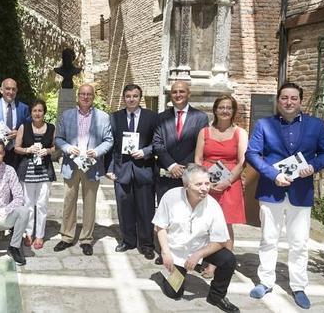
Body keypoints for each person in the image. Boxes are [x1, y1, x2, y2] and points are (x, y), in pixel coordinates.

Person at [246, 82, 324, 309]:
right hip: (271, 189)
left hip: (301, 191)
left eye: (293, 98)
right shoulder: (264, 125)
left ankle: (298, 286)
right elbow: (252, 153)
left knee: (299, 242)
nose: (288, 102)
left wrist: (313, 167)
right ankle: (265, 281)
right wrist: (273, 174)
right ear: (278, 100)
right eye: (284, 98)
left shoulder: (315, 125)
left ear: (300, 101)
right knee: (268, 238)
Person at [152, 164, 240, 313]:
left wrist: (199, 254)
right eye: (198, 184)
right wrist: (165, 252)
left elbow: (221, 240)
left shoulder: (213, 206)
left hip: (200, 248)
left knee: (228, 259)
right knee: (174, 294)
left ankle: (216, 296)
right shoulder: (171, 197)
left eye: (207, 183)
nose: (205, 188)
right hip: (176, 251)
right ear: (186, 185)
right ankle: (168, 276)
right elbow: (160, 227)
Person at [53, 84, 113, 256]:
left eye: (89, 94)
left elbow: (109, 140)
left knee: (89, 204)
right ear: (77, 96)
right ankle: (66, 237)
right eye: (82, 94)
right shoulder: (67, 115)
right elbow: (58, 138)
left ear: (93, 97)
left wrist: (97, 151)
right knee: (68, 202)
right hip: (71, 165)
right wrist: (66, 148)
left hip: (91, 165)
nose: (85, 97)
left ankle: (86, 239)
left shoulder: (102, 117)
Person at [153, 80, 209, 264]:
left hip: (189, 174)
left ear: (188, 94)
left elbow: (200, 146)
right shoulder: (161, 117)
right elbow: (158, 144)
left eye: (182, 92)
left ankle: (189, 253)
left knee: (188, 214)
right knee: (166, 215)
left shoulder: (200, 117)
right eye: (174, 92)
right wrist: (171, 166)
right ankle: (165, 252)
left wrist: (186, 168)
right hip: (166, 173)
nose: (178, 95)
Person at [194, 95, 248, 277]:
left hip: (230, 183)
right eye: (221, 107)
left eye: (229, 108)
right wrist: (204, 181)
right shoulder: (204, 132)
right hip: (207, 183)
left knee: (225, 224)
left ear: (233, 111)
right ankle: (207, 259)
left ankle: (223, 265)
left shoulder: (240, 133)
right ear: (215, 110)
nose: (225, 111)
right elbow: (198, 159)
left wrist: (228, 181)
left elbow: (242, 161)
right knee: (206, 223)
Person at [104, 84, 158, 259]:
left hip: (144, 169)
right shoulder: (115, 117)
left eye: (135, 96)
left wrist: (145, 151)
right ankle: (128, 240)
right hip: (122, 170)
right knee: (124, 208)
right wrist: (110, 169)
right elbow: (111, 145)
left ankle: (147, 244)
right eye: (128, 96)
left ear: (140, 97)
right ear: (124, 97)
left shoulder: (151, 117)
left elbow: (158, 142)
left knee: (146, 209)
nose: (131, 99)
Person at [14, 99, 56, 250]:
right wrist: (27, 150)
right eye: (34, 111)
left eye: (40, 110)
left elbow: (55, 147)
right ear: (30, 113)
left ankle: (40, 235)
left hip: (44, 171)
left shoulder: (51, 128)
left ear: (44, 112)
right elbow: (16, 147)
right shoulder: (24, 127)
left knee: (42, 204)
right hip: (28, 171)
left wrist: (49, 151)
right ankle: (28, 233)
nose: (37, 113)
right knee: (28, 204)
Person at [0, 78, 31, 167]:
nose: (10, 92)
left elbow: (30, 129)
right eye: (7, 88)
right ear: (1, 90)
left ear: (16, 91)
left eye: (13, 89)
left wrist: (19, 133)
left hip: (17, 153)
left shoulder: (24, 108)